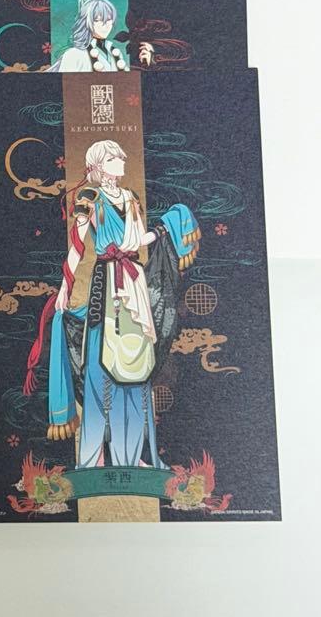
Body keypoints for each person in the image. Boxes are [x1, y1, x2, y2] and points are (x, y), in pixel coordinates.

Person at [22, 141, 199, 469]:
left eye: (121, 155)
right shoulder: (90, 198)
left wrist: (166, 226)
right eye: (115, 157)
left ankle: (130, 455)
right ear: (100, 165)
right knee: (101, 367)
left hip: (134, 284)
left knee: (135, 368)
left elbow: (139, 240)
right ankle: (94, 456)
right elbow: (77, 246)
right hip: (106, 285)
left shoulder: (130, 198)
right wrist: (65, 287)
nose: (122, 159)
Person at [47, 0, 153, 71]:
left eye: (109, 20)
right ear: (87, 22)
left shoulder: (115, 52)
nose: (106, 25)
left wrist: (146, 63)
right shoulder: (74, 55)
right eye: (98, 20)